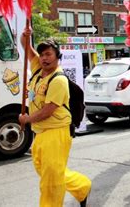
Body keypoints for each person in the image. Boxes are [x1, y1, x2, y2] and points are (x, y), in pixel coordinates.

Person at [19, 27, 91, 207]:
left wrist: (27, 119)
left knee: (50, 182)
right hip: (41, 132)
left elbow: (48, 110)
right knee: (47, 171)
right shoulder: (37, 70)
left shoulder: (59, 80)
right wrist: (24, 36)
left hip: (56, 132)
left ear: (58, 57)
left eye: (49, 54)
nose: (44, 58)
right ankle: (82, 186)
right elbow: (26, 48)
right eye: (42, 54)